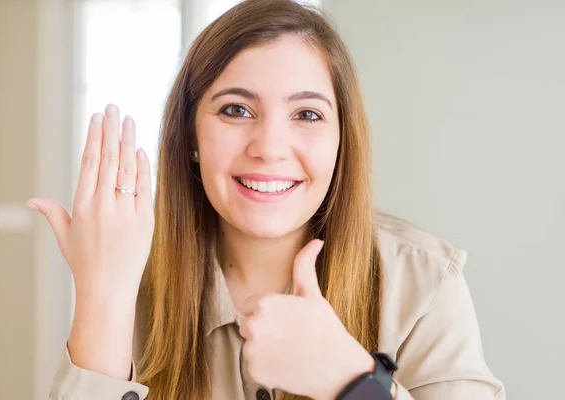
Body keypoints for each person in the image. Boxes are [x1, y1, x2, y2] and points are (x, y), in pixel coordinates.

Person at [27, 0, 505, 399]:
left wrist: (356, 384)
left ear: (342, 140)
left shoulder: (423, 281)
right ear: (191, 136)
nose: (270, 147)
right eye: (236, 110)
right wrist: (104, 295)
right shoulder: (135, 276)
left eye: (307, 114)